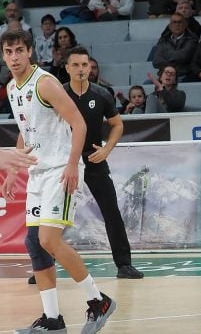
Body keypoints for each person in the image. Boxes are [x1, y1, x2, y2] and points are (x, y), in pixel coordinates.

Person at [2, 31, 115, 333]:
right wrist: (14, 169)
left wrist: (72, 166)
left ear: (29, 53)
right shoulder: (13, 87)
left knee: (49, 240)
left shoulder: (45, 83)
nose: (13, 57)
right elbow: (28, 130)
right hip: (38, 171)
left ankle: (98, 300)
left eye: (19, 51)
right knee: (34, 245)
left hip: (59, 169)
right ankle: (53, 320)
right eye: (8, 51)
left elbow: (78, 123)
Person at [64, 46, 144, 279]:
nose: (81, 69)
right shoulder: (58, 93)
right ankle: (42, 265)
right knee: (53, 213)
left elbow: (118, 125)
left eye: (85, 65)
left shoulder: (102, 94)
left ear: (90, 67)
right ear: (67, 68)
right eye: (76, 65)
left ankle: (123, 264)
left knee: (111, 211)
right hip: (66, 161)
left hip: (94, 159)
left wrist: (107, 149)